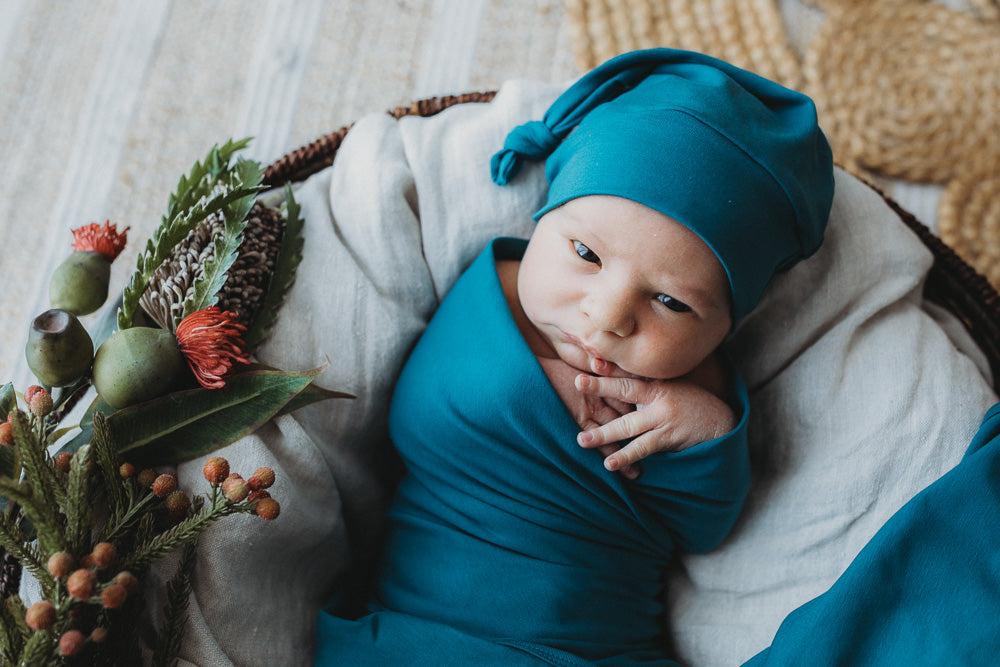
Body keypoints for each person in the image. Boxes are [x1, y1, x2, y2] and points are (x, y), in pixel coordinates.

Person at [314, 48, 834, 666]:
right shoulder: (494, 293)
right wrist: (534, 394)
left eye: (671, 301)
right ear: (543, 217)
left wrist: (706, 433)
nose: (609, 316)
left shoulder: (694, 385)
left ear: (727, 324)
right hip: (420, 634)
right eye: (586, 255)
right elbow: (419, 423)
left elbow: (705, 528)